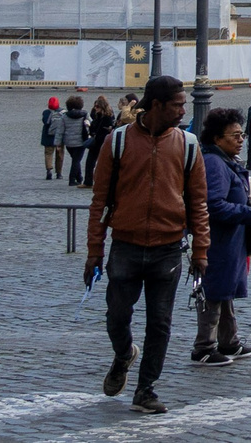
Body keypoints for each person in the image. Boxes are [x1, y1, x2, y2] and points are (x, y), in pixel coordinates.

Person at [84, 75, 210, 416]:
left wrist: (201, 249)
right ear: (156, 105)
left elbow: (198, 202)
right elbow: (100, 202)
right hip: (124, 244)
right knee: (117, 317)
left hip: (168, 248)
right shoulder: (117, 141)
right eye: (177, 105)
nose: (183, 110)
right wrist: (94, 250)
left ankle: (145, 389)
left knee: (160, 323)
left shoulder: (187, 145)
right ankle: (125, 353)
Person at [190, 106, 251, 366]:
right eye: (235, 135)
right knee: (214, 292)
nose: (241, 140)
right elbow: (213, 204)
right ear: (217, 138)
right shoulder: (214, 163)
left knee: (226, 291)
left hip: (230, 240)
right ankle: (204, 347)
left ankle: (229, 340)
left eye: (242, 135)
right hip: (217, 241)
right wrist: (248, 214)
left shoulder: (225, 160)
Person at [42, 96, 68, 180]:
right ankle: (59, 173)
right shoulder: (63, 112)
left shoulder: (46, 112)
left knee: (48, 153)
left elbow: (45, 122)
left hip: (48, 137)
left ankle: (49, 170)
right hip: (59, 136)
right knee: (60, 154)